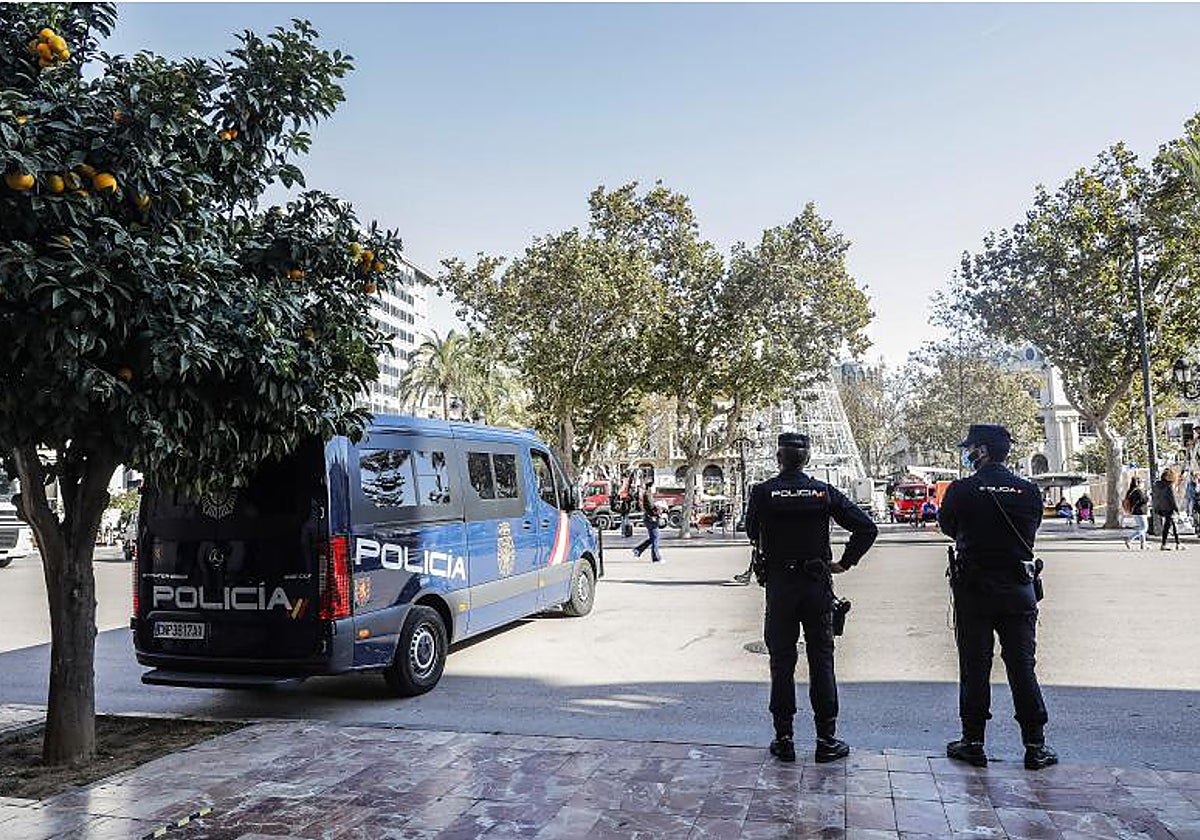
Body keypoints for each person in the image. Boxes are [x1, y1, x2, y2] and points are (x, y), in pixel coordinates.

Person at [746, 432, 878, 764]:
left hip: (780, 586)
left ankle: (784, 738)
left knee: (781, 663)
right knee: (822, 662)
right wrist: (844, 563)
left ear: (778, 457)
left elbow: (751, 531)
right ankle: (826, 739)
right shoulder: (822, 492)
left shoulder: (763, 493)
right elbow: (866, 527)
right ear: (807, 458)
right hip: (817, 583)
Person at [938, 424, 1057, 771]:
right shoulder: (1028, 491)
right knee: (1022, 666)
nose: (967, 454)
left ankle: (973, 741)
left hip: (974, 588)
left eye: (970, 448)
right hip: (1019, 587)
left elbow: (948, 526)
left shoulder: (962, 490)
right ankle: (1035, 745)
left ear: (983, 451)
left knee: (974, 666)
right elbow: (1030, 530)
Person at [632, 474, 662, 563]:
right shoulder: (648, 494)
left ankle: (638, 550)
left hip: (649, 518)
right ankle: (656, 557)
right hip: (651, 519)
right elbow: (650, 507)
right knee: (655, 538)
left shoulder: (648, 494)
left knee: (653, 538)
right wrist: (658, 510)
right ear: (651, 486)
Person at [1152, 469, 1181, 551]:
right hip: (1169, 508)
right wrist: (1177, 509)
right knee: (1168, 526)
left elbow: (1155, 498)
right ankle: (1165, 544)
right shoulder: (1169, 486)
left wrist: (1156, 508)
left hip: (1162, 508)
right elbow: (1173, 499)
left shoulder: (1157, 485)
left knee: (1172, 524)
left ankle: (1178, 543)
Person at [1124, 477, 1149, 550]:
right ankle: (1129, 539)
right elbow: (1144, 500)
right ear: (1138, 483)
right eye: (1142, 482)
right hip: (1141, 512)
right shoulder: (1138, 491)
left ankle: (1143, 544)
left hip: (1134, 512)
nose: (1143, 484)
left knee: (1141, 527)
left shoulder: (1130, 491)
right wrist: (1147, 495)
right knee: (1144, 528)